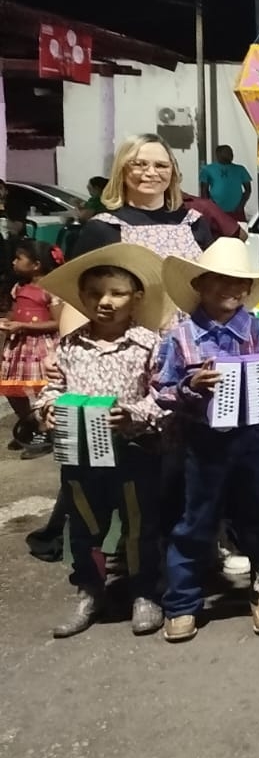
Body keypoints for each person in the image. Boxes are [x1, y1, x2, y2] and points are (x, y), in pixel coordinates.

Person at [152, 238, 259, 643]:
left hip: (255, 440)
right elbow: (160, 390)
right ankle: (182, 602)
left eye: (238, 282)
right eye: (218, 280)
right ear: (199, 284)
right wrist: (191, 386)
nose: (230, 288)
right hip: (202, 444)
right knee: (195, 520)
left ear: (248, 288)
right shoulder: (180, 336)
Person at [35, 244, 168, 637]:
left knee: (139, 525)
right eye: (93, 294)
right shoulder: (69, 346)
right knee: (84, 525)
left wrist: (133, 414)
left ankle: (144, 592)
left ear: (136, 297)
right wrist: (48, 409)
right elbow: (52, 389)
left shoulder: (149, 345)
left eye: (116, 293)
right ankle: (90, 591)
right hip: (80, 454)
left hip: (134, 452)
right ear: (81, 298)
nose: (104, 302)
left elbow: (164, 397)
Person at [75, 134, 214, 259]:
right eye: (140, 164)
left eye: (161, 165)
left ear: (173, 172)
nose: (151, 173)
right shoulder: (103, 227)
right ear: (121, 170)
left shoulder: (193, 222)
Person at [1, 239, 64, 457]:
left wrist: (24, 326)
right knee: (12, 389)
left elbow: (58, 322)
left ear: (36, 264)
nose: (13, 262)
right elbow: (15, 313)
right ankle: (28, 423)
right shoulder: (18, 288)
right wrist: (8, 322)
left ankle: (44, 431)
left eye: (19, 258)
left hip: (42, 347)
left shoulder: (51, 289)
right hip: (19, 347)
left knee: (42, 390)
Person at [198, 144, 252, 222]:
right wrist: (210, 207)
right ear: (218, 155)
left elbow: (248, 190)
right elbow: (204, 191)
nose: (230, 155)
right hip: (216, 211)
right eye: (226, 153)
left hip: (236, 211)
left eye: (231, 152)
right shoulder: (208, 169)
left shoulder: (240, 169)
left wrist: (241, 205)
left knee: (238, 229)